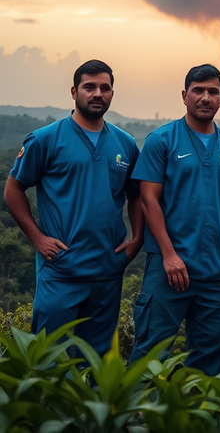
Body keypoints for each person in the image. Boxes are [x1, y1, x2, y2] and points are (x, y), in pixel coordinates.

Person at [4, 60, 144, 355]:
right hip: (61, 268)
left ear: (112, 94)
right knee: (48, 356)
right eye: (89, 87)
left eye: (105, 88)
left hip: (108, 270)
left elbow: (137, 195)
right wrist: (37, 238)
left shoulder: (126, 144)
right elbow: (13, 189)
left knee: (96, 360)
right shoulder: (45, 139)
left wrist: (137, 239)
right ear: (73, 91)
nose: (97, 93)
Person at [129, 64, 220, 374]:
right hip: (169, 267)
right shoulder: (162, 140)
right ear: (184, 96)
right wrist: (169, 255)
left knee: (211, 356)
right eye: (198, 91)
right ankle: (136, 420)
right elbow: (148, 199)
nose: (205, 97)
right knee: (151, 352)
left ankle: (198, 419)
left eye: (212, 92)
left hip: (218, 272)